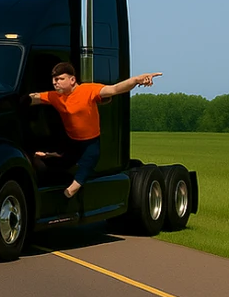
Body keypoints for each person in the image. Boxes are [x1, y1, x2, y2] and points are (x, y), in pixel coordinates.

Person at [28, 63, 162, 199]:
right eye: (54, 80)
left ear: (72, 80)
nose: (55, 83)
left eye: (60, 79)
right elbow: (33, 98)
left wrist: (136, 80)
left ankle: (66, 195)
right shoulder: (55, 96)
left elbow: (115, 89)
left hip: (90, 143)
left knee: (76, 182)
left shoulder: (88, 90)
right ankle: (51, 156)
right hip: (71, 143)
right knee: (57, 162)